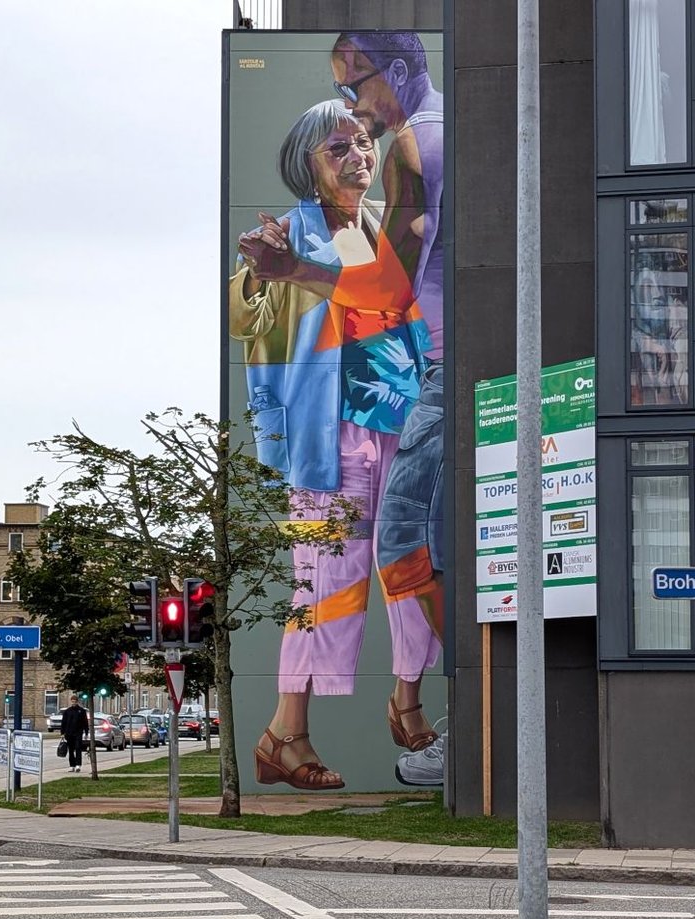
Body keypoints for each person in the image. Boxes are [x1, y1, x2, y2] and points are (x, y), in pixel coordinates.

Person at [242, 33, 446, 785]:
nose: (359, 154)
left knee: (405, 564)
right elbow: (256, 323)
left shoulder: (369, 229)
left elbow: (394, 310)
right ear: (309, 165)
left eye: (362, 141)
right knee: (326, 582)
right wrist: (264, 278)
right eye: (339, 147)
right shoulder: (293, 230)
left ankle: (407, 702)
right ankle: (284, 734)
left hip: (393, 425)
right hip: (330, 440)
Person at [60, 694, 88, 773]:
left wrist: (86, 732)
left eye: (75, 701)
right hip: (69, 733)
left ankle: (78, 765)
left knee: (78, 748)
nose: (73, 703)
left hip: (78, 733)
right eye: (72, 702)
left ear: (77, 702)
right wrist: (62, 733)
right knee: (71, 750)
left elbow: (85, 722)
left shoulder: (81, 711)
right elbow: (64, 722)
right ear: (71, 702)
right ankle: (72, 765)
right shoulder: (67, 711)